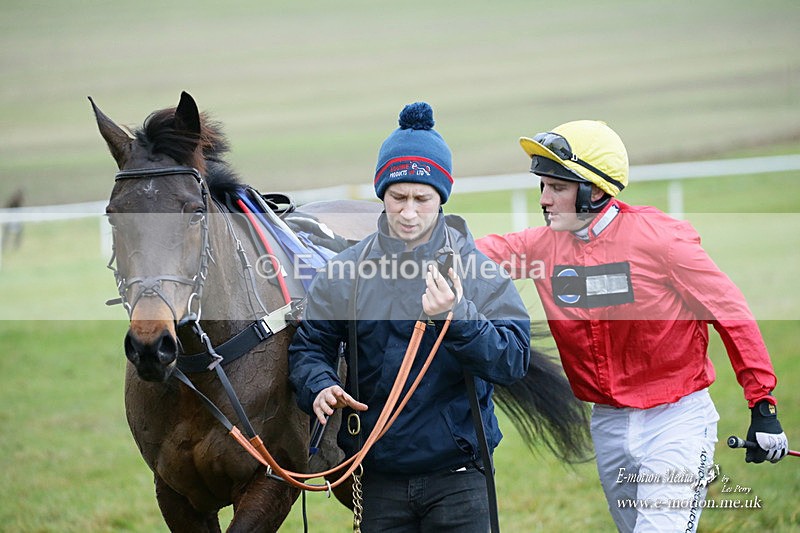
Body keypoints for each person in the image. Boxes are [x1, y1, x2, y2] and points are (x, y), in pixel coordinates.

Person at [475, 120, 789, 532]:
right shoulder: (541, 246)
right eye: (544, 187)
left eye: (558, 188)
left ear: (596, 190)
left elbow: (731, 313)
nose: (545, 200)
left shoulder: (661, 240)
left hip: (676, 420)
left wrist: (762, 404)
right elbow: (475, 256)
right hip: (607, 423)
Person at [288, 102, 531, 532]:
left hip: (460, 477)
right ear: (382, 194)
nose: (409, 211)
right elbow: (310, 347)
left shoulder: (476, 271)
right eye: (398, 197)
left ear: (441, 198)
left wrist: (457, 317)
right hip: (378, 476)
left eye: (423, 198)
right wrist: (319, 384)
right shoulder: (345, 273)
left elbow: (512, 360)